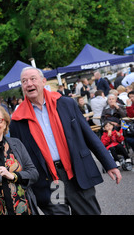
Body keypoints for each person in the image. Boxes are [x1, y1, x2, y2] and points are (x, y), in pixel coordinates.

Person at [10, 67, 121, 215]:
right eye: (24, 81)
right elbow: (19, 156)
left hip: (76, 174)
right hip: (50, 181)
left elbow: (89, 135)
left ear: (43, 81)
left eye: (32, 79)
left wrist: (109, 163)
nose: (29, 84)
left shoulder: (66, 104)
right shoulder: (18, 120)